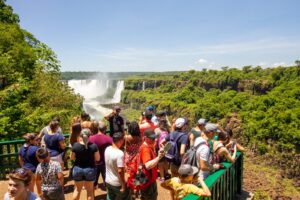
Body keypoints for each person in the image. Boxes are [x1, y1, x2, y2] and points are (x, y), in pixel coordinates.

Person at [71, 128, 100, 200]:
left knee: (77, 190)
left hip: (77, 169)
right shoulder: (94, 146)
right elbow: (97, 159)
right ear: (90, 136)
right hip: (90, 169)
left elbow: (72, 158)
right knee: (90, 191)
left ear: (80, 136)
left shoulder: (75, 145)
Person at [139, 129, 165, 200]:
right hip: (148, 180)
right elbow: (147, 166)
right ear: (145, 138)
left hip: (145, 178)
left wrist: (159, 154)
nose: (154, 140)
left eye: (154, 137)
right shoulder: (145, 149)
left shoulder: (148, 146)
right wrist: (159, 157)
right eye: (151, 138)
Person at [105, 132, 131, 200]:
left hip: (108, 180)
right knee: (126, 197)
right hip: (117, 183)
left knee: (110, 198)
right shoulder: (119, 153)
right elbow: (120, 171)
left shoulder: (107, 149)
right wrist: (123, 185)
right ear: (121, 141)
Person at [88, 121, 113, 189]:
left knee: (92, 184)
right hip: (105, 163)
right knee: (108, 183)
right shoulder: (109, 139)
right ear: (105, 129)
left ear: (98, 128)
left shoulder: (90, 138)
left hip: (93, 163)